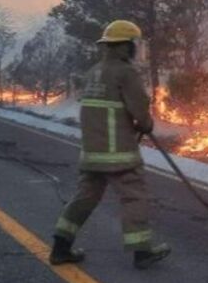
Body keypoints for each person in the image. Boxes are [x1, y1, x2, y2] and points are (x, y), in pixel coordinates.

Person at [50, 20, 171, 270]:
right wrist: (146, 124)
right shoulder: (125, 72)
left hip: (92, 154)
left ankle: (60, 248)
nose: (136, 49)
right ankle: (142, 252)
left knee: (84, 197)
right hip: (119, 155)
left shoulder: (94, 71)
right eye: (133, 45)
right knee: (134, 198)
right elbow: (139, 107)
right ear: (125, 47)